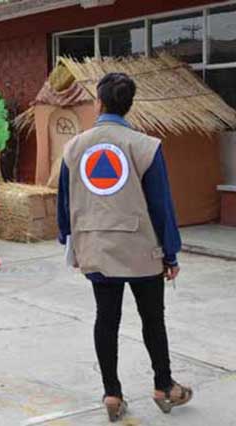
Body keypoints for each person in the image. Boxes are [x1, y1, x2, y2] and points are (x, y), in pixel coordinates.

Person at [57, 72, 191, 422]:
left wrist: (68, 240)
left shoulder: (74, 147)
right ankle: (163, 385)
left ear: (99, 103)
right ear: (129, 105)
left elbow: (64, 200)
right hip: (141, 249)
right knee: (152, 319)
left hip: (95, 246)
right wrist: (171, 252)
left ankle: (112, 393)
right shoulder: (146, 146)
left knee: (106, 319)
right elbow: (161, 204)